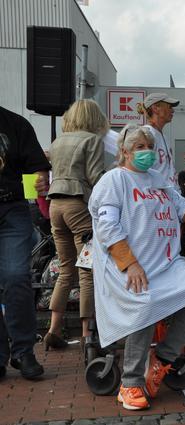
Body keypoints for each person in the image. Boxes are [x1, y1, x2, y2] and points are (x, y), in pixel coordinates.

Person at [88, 124, 185, 410]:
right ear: (124, 151)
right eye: (140, 147)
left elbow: (179, 201)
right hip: (129, 266)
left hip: (165, 264)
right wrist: (129, 263)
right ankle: (130, 383)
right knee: (145, 305)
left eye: (150, 147)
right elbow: (106, 226)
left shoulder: (159, 179)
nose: (147, 153)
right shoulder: (114, 180)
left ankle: (163, 359)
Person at [46, 99, 108, 350]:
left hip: (55, 206)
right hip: (77, 205)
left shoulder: (58, 141)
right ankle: (86, 334)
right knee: (87, 269)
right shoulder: (92, 140)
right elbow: (96, 178)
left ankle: (53, 329)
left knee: (65, 269)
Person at [0, 106, 49, 380]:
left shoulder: (15, 124)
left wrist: (39, 181)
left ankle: (23, 352)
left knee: (16, 276)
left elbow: (38, 170)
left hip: (12, 209)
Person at [136, 93, 180, 186]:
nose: (172, 110)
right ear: (155, 108)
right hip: (155, 196)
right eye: (169, 106)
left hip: (168, 195)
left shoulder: (164, 137)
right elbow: (138, 171)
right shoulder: (145, 134)